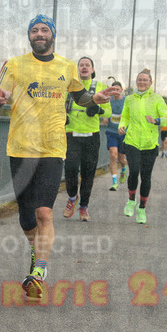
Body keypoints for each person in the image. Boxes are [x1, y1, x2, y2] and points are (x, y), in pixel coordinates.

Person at [0, 14, 119, 299]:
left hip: (53, 148)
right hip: (20, 148)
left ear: (53, 35)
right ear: (29, 36)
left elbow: (79, 96)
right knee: (27, 218)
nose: (39, 34)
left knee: (44, 212)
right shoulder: (15, 64)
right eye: (34, 30)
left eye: (44, 30)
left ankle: (39, 271)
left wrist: (95, 99)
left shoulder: (66, 65)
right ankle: (35, 251)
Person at [118, 69, 167, 224]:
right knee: (134, 171)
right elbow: (125, 116)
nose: (142, 82)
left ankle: (142, 209)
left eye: (145, 80)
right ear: (136, 81)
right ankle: (131, 201)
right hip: (132, 141)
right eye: (139, 79)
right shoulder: (129, 99)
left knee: (146, 177)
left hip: (149, 144)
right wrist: (121, 126)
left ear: (150, 83)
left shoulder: (157, 98)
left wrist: (156, 120)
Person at [62, 57, 112, 221]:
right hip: (71, 134)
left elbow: (108, 112)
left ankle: (84, 207)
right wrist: (63, 116)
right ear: (77, 69)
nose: (84, 67)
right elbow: (58, 106)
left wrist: (98, 110)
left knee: (88, 173)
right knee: (70, 169)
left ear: (92, 69)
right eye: (81, 65)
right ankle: (72, 198)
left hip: (91, 136)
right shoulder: (69, 86)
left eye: (87, 65)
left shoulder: (101, 87)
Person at [104, 80, 128, 191]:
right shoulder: (108, 101)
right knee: (113, 155)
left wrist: (126, 117)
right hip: (111, 131)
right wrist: (105, 117)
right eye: (113, 90)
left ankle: (123, 168)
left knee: (121, 158)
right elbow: (104, 111)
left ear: (121, 90)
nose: (116, 92)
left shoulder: (126, 101)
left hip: (123, 132)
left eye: (118, 90)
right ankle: (114, 182)